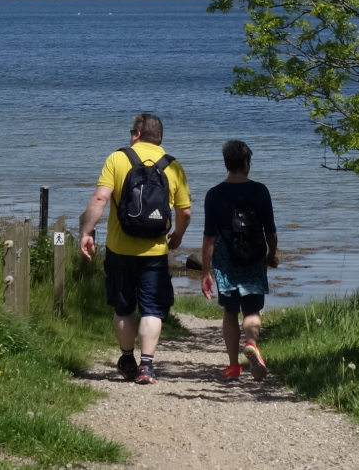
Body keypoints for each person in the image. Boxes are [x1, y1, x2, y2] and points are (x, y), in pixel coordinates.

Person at [79, 113, 193, 385]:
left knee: (123, 307)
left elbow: (100, 197)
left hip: (120, 248)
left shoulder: (118, 158)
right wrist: (176, 235)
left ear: (138, 134)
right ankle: (147, 366)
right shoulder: (173, 166)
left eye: (132, 131)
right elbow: (185, 212)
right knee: (152, 309)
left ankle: (127, 357)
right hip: (155, 251)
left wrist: (87, 231)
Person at [201, 139, 278, 380]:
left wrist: (206, 271)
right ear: (246, 162)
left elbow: (209, 237)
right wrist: (271, 254)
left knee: (230, 312)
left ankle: (234, 366)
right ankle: (252, 344)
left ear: (227, 164)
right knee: (252, 310)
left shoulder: (213, 195)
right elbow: (271, 232)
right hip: (254, 257)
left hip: (226, 262)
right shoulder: (260, 191)